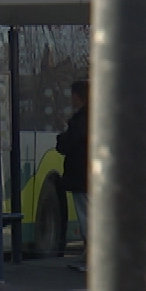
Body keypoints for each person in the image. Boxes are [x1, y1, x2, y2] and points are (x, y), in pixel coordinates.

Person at [57, 78, 90, 268]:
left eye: (73, 96)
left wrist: (60, 139)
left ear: (79, 97)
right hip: (92, 176)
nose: (71, 100)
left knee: (87, 216)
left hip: (82, 176)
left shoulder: (81, 119)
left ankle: (92, 258)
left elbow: (68, 143)